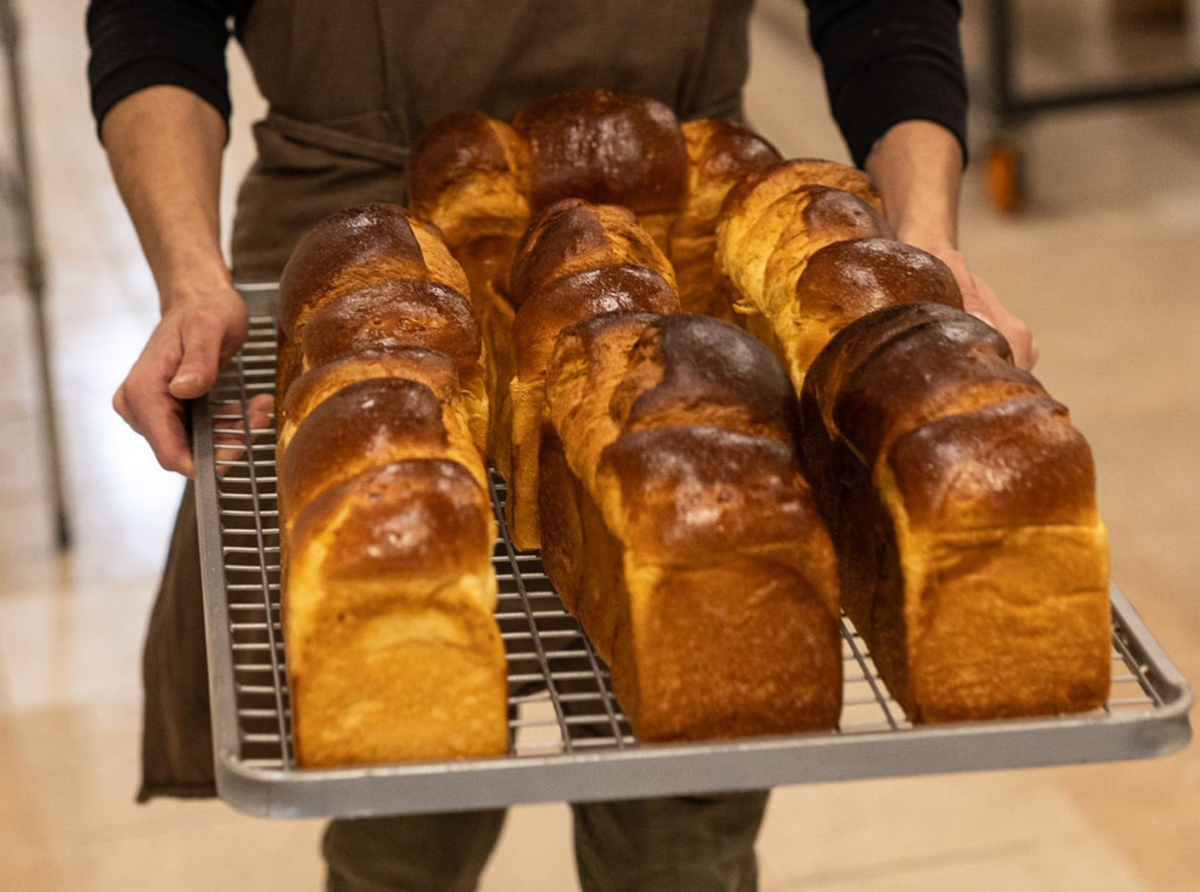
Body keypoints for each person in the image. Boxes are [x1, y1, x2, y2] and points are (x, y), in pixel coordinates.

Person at [86, 2, 1037, 890]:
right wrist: (190, 275)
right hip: (364, 272)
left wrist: (925, 241)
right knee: (399, 780)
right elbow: (155, 15)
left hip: (674, 248)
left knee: (694, 785)